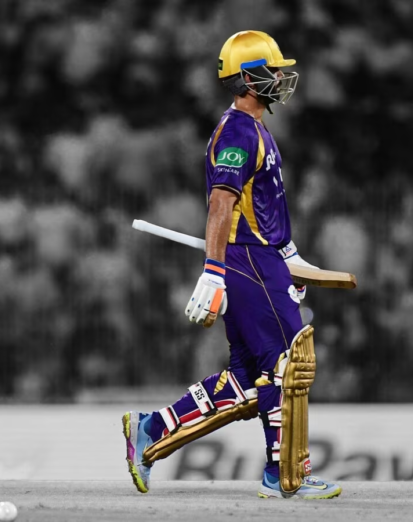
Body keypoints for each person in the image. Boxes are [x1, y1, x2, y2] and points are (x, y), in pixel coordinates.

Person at [122, 30, 342, 500]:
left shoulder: (253, 129)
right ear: (248, 77)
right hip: (249, 262)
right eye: (273, 70)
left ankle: (151, 428)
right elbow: (221, 203)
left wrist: (288, 259)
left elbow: (261, 209)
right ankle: (285, 475)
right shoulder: (240, 131)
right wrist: (214, 271)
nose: (281, 78)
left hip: (261, 260)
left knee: (247, 379)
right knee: (288, 364)